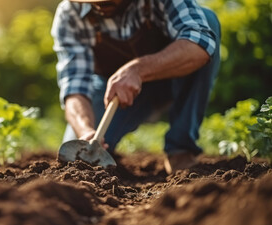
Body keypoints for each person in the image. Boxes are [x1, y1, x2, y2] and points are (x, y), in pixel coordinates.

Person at [51, 0, 221, 174]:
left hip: (175, 77)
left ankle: (180, 149)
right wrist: (85, 130)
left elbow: (200, 44)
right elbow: (74, 86)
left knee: (207, 20)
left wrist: (138, 70)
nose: (100, 4)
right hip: (114, 94)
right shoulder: (70, 13)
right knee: (78, 160)